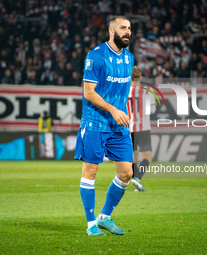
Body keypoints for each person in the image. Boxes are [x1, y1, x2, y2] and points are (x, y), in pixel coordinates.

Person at [74, 16, 134, 236]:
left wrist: (122, 111)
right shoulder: (96, 56)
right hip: (96, 122)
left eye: (129, 28)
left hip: (118, 124)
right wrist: (114, 110)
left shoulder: (129, 58)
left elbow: (120, 91)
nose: (127, 32)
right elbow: (89, 92)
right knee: (91, 171)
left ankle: (104, 217)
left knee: (126, 172)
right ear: (111, 31)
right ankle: (91, 224)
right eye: (123, 28)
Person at [128, 66, 156, 192]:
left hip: (129, 128)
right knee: (147, 157)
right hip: (143, 127)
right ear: (141, 77)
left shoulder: (125, 91)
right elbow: (153, 109)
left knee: (134, 157)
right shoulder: (147, 90)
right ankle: (137, 178)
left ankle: (135, 183)